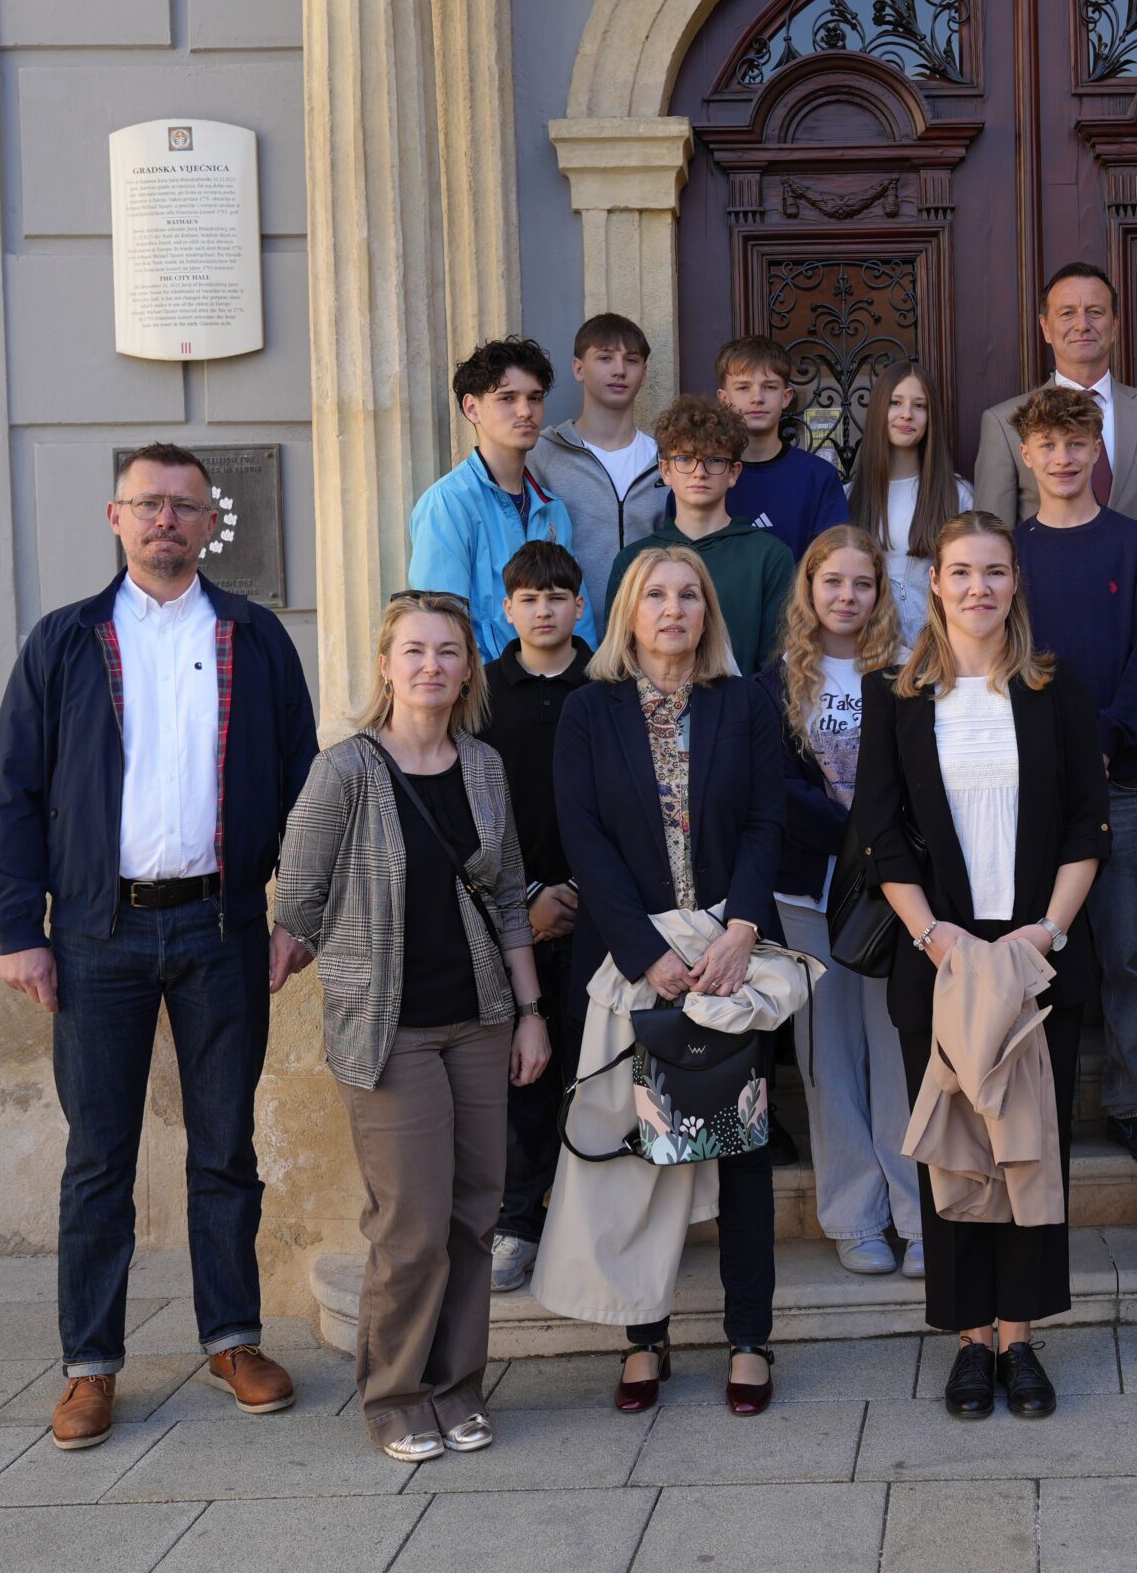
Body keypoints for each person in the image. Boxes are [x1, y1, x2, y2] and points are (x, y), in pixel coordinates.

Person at [0, 442, 318, 1454]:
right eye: (149, 503)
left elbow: (307, 787)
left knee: (225, 1146)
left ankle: (232, 1337)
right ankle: (91, 1365)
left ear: (207, 521)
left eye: (186, 505)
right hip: (96, 933)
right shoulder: (67, 641)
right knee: (99, 1158)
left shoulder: (252, 638)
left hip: (223, 926)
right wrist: (19, 929)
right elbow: (16, 791)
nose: (167, 519)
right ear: (115, 516)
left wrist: (295, 909)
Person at [272, 594, 551, 1462]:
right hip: (389, 1032)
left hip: (480, 1022)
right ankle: (395, 1395)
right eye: (414, 651)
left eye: (448, 652)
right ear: (386, 665)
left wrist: (531, 1012)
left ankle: (460, 1386)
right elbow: (297, 898)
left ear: (469, 668)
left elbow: (508, 896)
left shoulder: (484, 767)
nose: (431, 665)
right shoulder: (346, 770)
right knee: (412, 1224)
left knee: (473, 1218)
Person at [850, 510, 1109, 1420]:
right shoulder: (897, 693)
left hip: (1036, 954)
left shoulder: (1053, 688)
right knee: (959, 1158)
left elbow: (1088, 824)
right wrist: (935, 938)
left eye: (994, 572)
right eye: (961, 572)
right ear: (934, 584)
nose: (978, 589)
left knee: (1032, 1151)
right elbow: (878, 837)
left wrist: (1046, 933)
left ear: (1014, 584)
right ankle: (969, 1342)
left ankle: (1022, 1339)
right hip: (944, 956)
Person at [537, 543, 790, 1414]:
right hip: (632, 962)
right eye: (656, 596)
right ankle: (643, 1338)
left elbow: (766, 821)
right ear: (629, 613)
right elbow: (586, 843)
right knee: (646, 1152)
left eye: (689, 595)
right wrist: (649, 955)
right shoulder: (589, 712)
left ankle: (749, 1339)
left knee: (741, 1149)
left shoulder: (745, 703)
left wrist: (741, 932)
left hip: (729, 958)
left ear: (707, 612)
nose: (674, 609)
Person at [1006, 385, 1137, 1165]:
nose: (1063, 458)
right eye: (1048, 445)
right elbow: (1002, 660)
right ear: (1026, 455)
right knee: (1031, 944)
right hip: (1025, 786)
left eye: (1077, 444)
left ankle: (1136, 1095)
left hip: (1119, 778)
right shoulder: (1011, 553)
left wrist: (1106, 736)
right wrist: (1050, 747)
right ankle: (1029, 1096)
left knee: (1127, 947)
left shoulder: (1134, 544)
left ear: (1096, 450)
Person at [756, 525, 925, 1278]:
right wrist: (858, 826)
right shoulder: (776, 681)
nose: (848, 597)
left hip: (894, 894)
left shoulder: (908, 673)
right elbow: (777, 791)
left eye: (862, 584)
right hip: (808, 890)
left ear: (880, 593)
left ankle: (918, 1214)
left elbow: (922, 778)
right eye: (833, 583)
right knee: (830, 1057)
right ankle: (853, 1216)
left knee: (897, 1053)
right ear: (810, 590)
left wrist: (880, 836)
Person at [479, 541, 594, 1292]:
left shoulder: (609, 682)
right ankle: (518, 1220)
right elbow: (471, 810)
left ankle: (597, 1221)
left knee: (598, 1069)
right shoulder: (482, 693)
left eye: (558, 596)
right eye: (529, 597)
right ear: (507, 608)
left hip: (600, 911)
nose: (544, 609)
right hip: (513, 914)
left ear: (580, 606)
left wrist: (584, 891)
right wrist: (526, 903)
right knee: (524, 1071)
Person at [974, 262, 1137, 536]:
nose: (1082, 325)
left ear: (1115, 324)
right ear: (1046, 327)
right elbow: (992, 540)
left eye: (1095, 312)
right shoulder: (1004, 423)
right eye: (1067, 313)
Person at [410, 336, 593, 661]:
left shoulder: (553, 509)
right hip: (486, 698)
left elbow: (579, 617)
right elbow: (442, 625)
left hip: (556, 696)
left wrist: (585, 686)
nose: (526, 411)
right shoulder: (447, 504)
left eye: (534, 398)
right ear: (472, 407)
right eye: (507, 398)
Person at [605, 394, 797, 672]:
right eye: (685, 458)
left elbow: (776, 663)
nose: (699, 472)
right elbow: (619, 659)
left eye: (714, 460)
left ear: (734, 472)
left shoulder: (770, 556)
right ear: (665, 470)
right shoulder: (634, 560)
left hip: (742, 712)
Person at [532, 312, 667, 603]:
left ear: (643, 372)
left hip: (649, 635)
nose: (619, 370)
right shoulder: (543, 453)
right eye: (605, 358)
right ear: (579, 369)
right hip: (571, 637)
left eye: (631, 360)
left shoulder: (667, 461)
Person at [846, 358, 971, 645]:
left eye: (919, 405)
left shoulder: (957, 493)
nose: (906, 414)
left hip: (940, 646)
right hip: (870, 648)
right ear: (879, 410)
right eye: (895, 403)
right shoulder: (849, 495)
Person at [716, 334, 851, 559]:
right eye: (743, 388)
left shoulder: (818, 477)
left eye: (769, 387)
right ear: (723, 398)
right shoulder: (705, 476)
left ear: (786, 397)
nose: (757, 398)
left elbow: (832, 564)